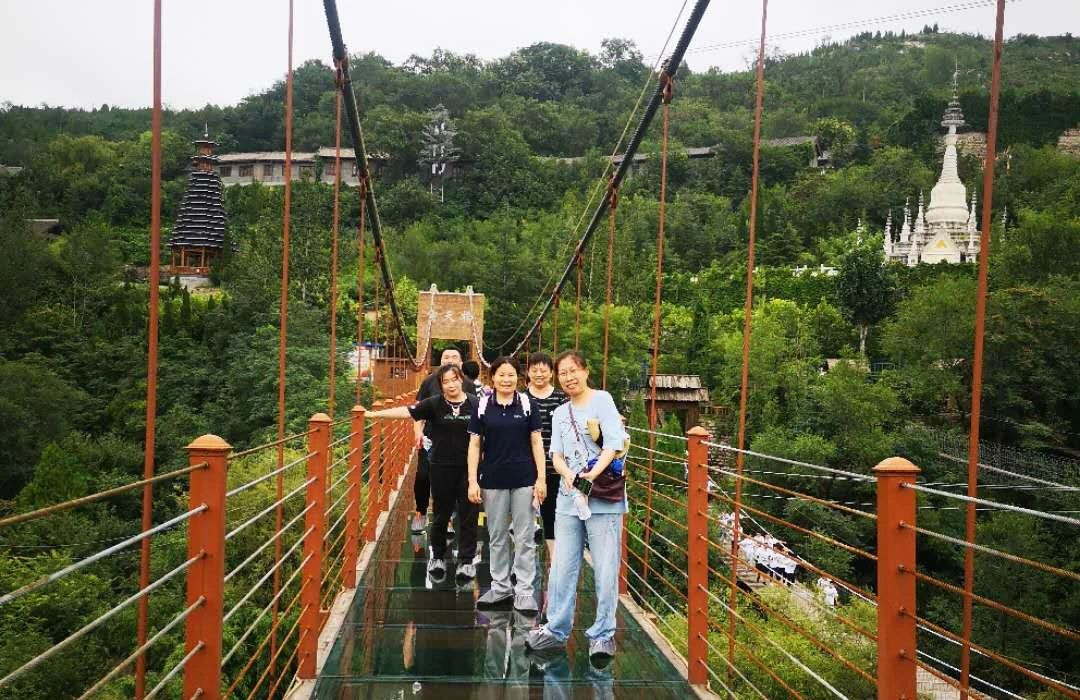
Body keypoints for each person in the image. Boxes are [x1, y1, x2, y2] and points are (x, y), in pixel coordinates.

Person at [525, 350, 629, 663]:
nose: (569, 378)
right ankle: (556, 630)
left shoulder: (603, 400)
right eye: (563, 373)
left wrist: (591, 475)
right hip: (569, 497)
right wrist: (568, 474)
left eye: (573, 371)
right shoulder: (560, 413)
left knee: (605, 568)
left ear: (585, 371)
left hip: (603, 498)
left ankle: (603, 635)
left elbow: (614, 444)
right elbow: (555, 454)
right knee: (561, 566)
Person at [367, 364, 479, 581]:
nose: (451, 385)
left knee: (469, 514)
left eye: (454, 379)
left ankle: (466, 561)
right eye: (445, 382)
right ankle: (437, 557)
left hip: (469, 468)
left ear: (461, 380)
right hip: (440, 466)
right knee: (440, 514)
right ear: (440, 385)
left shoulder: (475, 404)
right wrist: (374, 414)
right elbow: (407, 411)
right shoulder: (434, 403)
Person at [467, 356, 547, 614]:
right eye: (501, 374)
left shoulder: (527, 404)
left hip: (524, 478)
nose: (506, 379)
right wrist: (472, 480)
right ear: (492, 377)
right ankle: (500, 587)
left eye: (511, 374)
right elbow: (474, 445)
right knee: (497, 536)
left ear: (518, 378)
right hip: (492, 479)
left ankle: (524, 591)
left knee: (524, 537)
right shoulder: (482, 405)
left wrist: (541, 479)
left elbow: (536, 442)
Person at [411, 347, 477, 534]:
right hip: (432, 439)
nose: (450, 360)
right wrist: (418, 432)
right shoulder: (429, 382)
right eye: (446, 357)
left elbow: (477, 413)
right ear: (440, 362)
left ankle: (448, 519)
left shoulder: (468, 384)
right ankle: (421, 511)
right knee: (423, 475)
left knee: (455, 480)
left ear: (461, 363)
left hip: (461, 441)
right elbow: (418, 411)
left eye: (454, 357)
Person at [525, 352, 568, 558]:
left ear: (552, 373)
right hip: (526, 466)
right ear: (528, 372)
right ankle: (522, 562)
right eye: (534, 370)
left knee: (552, 514)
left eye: (543, 370)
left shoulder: (562, 398)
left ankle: (554, 561)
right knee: (523, 516)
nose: (539, 374)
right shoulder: (521, 399)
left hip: (554, 467)